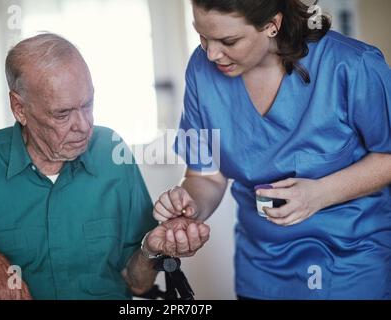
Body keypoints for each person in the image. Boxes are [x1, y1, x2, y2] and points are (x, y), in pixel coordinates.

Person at [0, 33, 210, 300]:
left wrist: (149, 249)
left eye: (88, 105)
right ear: (19, 108)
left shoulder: (111, 151)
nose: (83, 126)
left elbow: (138, 284)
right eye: (63, 113)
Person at [154, 0, 391, 300]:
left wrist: (320, 194)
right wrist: (190, 208)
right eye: (202, 36)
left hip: (350, 259)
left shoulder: (354, 65)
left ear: (272, 25)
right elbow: (206, 175)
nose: (211, 53)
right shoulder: (200, 71)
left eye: (229, 41)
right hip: (261, 267)